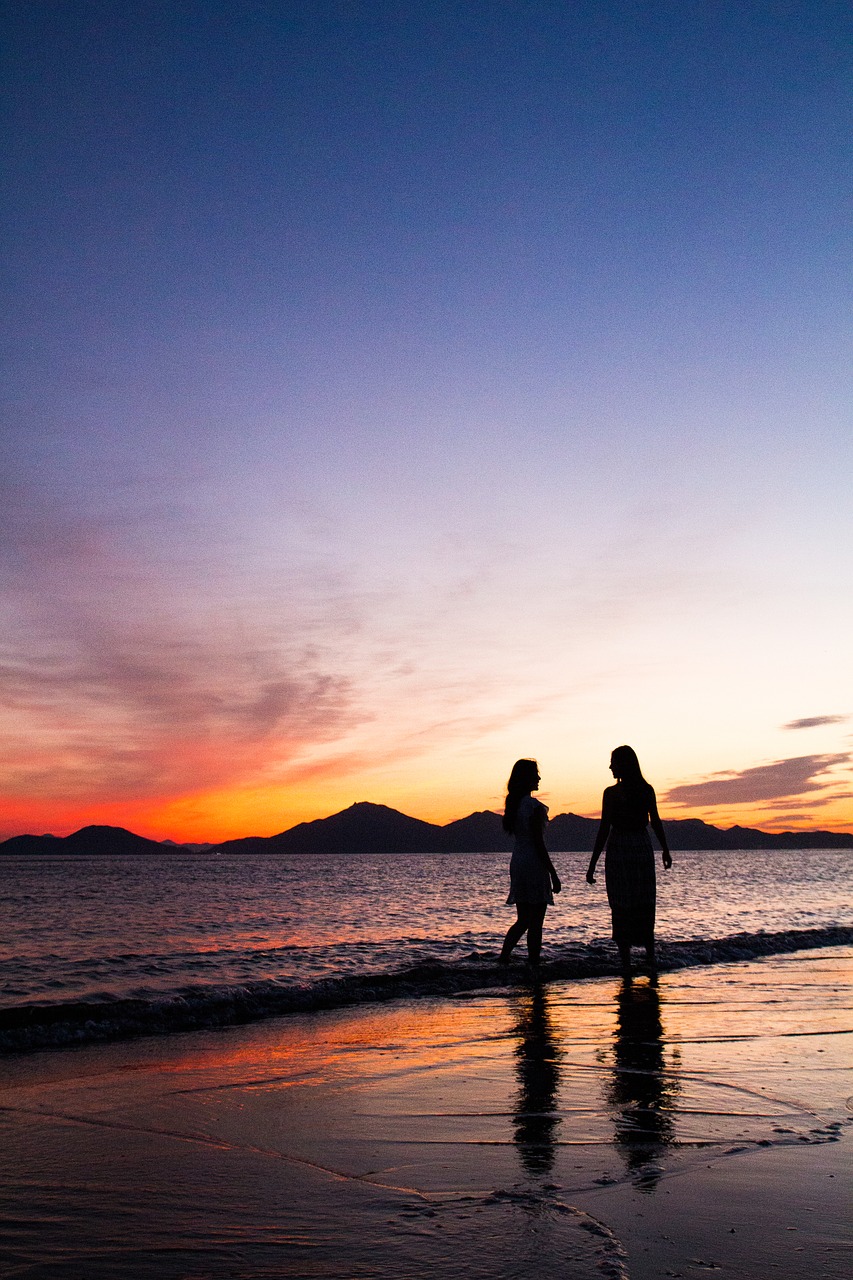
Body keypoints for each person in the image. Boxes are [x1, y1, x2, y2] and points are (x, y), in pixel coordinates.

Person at [586, 745, 672, 972]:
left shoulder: (613, 793)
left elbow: (604, 828)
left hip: (621, 849)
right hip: (641, 848)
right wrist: (664, 849)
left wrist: (593, 864)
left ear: (623, 764)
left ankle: (627, 964)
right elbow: (655, 821)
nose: (610, 766)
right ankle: (649, 959)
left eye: (613, 762)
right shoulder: (645, 789)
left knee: (623, 904)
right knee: (643, 901)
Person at [499, 759, 561, 968]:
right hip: (533, 863)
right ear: (527, 778)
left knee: (523, 919)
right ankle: (534, 964)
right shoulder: (533, 807)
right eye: (535, 774)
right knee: (536, 922)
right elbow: (538, 842)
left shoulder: (515, 806)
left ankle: (504, 957)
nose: (539, 778)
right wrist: (553, 872)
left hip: (518, 861)